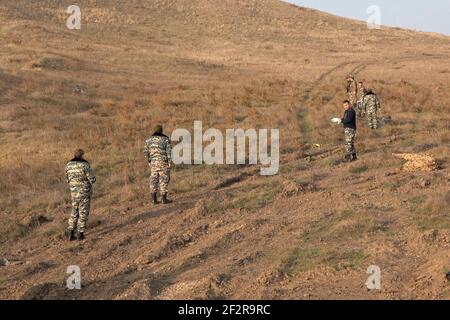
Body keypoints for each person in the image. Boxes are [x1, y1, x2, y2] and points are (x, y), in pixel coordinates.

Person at [65, 149, 96, 241]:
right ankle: (80, 233)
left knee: (74, 210)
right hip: (84, 192)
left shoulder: (68, 165)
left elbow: (67, 179)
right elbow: (92, 179)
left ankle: (70, 231)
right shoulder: (85, 165)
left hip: (73, 192)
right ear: (82, 155)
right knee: (83, 211)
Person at [144, 125, 173, 204]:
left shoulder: (148, 140)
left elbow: (146, 153)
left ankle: (154, 200)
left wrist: (149, 161)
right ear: (161, 131)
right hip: (164, 163)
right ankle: (164, 199)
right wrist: (170, 162)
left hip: (153, 163)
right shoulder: (166, 140)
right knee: (163, 179)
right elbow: (169, 152)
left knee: (153, 180)